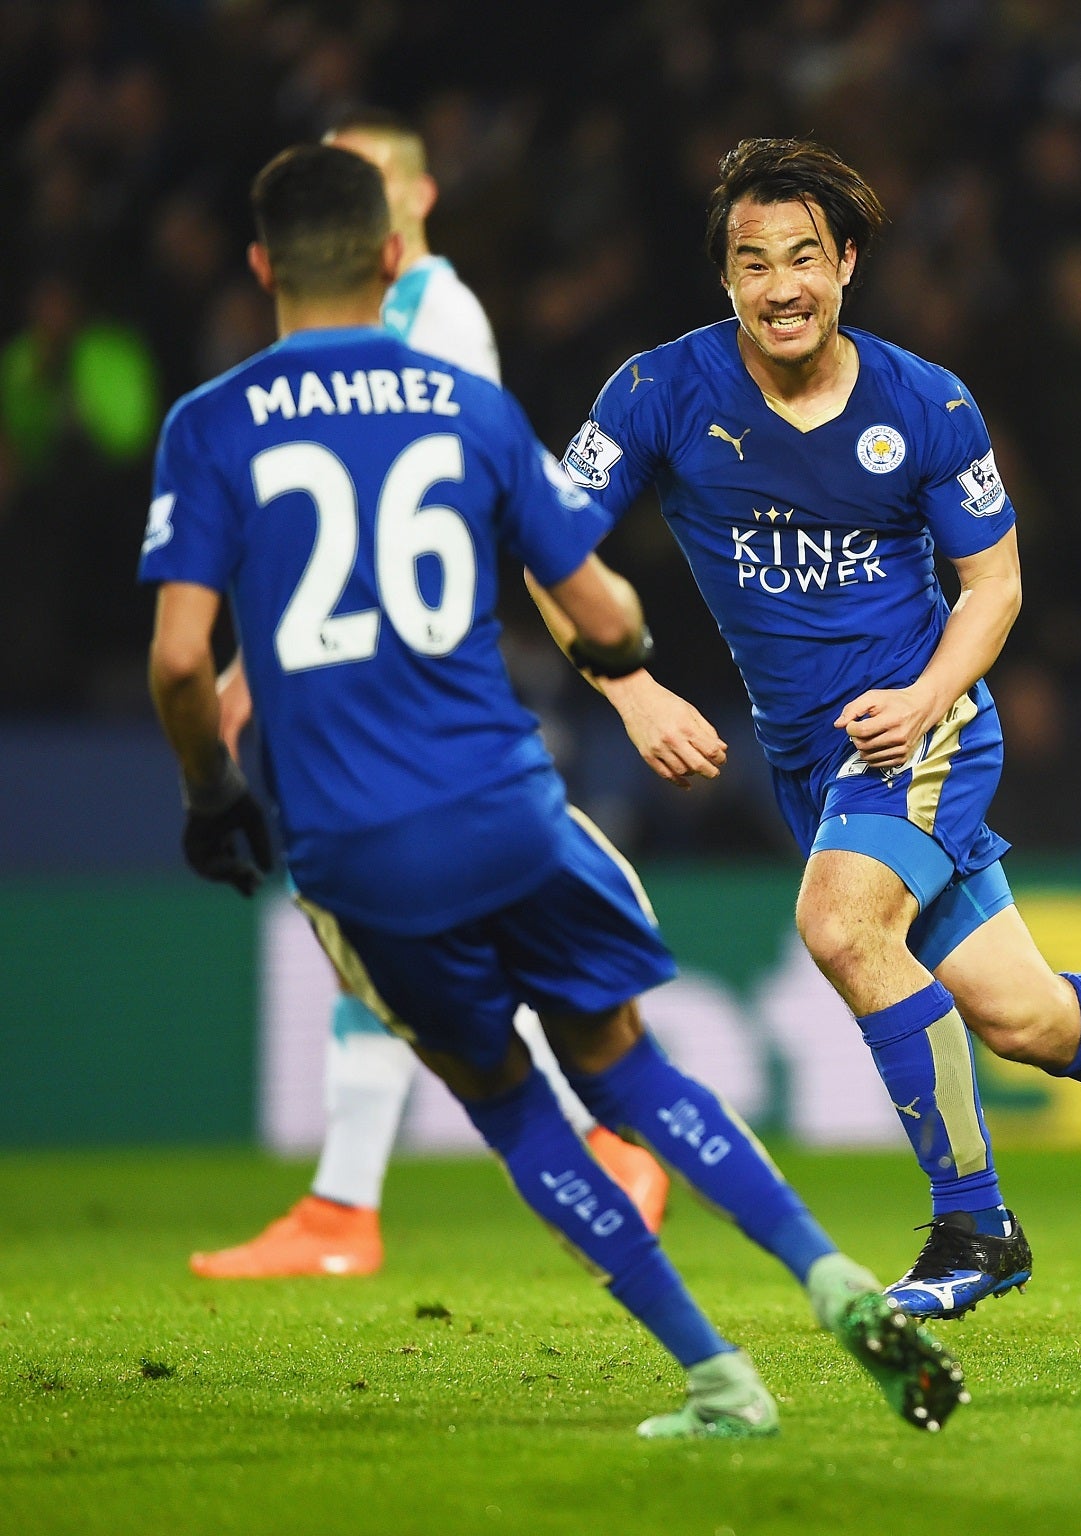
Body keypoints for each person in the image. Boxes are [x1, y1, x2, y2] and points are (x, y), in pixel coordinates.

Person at [140, 144, 963, 1438]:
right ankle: (828, 1272)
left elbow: (183, 657)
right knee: (628, 1071)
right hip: (511, 803)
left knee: (513, 1106)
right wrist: (631, 667)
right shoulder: (462, 406)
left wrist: (208, 796)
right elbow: (602, 600)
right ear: (392, 261)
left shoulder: (211, 426)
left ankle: (717, 1376)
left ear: (259, 270)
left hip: (355, 836)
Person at [553, 138, 1081, 1319]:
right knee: (1027, 1020)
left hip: (922, 729)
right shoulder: (657, 392)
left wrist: (926, 695)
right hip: (810, 765)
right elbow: (547, 538)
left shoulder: (926, 402)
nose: (781, 285)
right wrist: (629, 688)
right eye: (753, 263)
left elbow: (992, 588)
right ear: (725, 280)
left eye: (803, 257)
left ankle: (973, 1227)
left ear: (844, 264)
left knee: (841, 929)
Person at [192, 110, 668, 1282]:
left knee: (453, 913)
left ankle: (617, 1139)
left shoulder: (438, 316)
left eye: (363, 180)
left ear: (414, 202)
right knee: (379, 931)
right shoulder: (366, 322)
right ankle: (346, 1206)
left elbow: (443, 495)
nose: (344, 198)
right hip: (358, 666)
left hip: (416, 675)